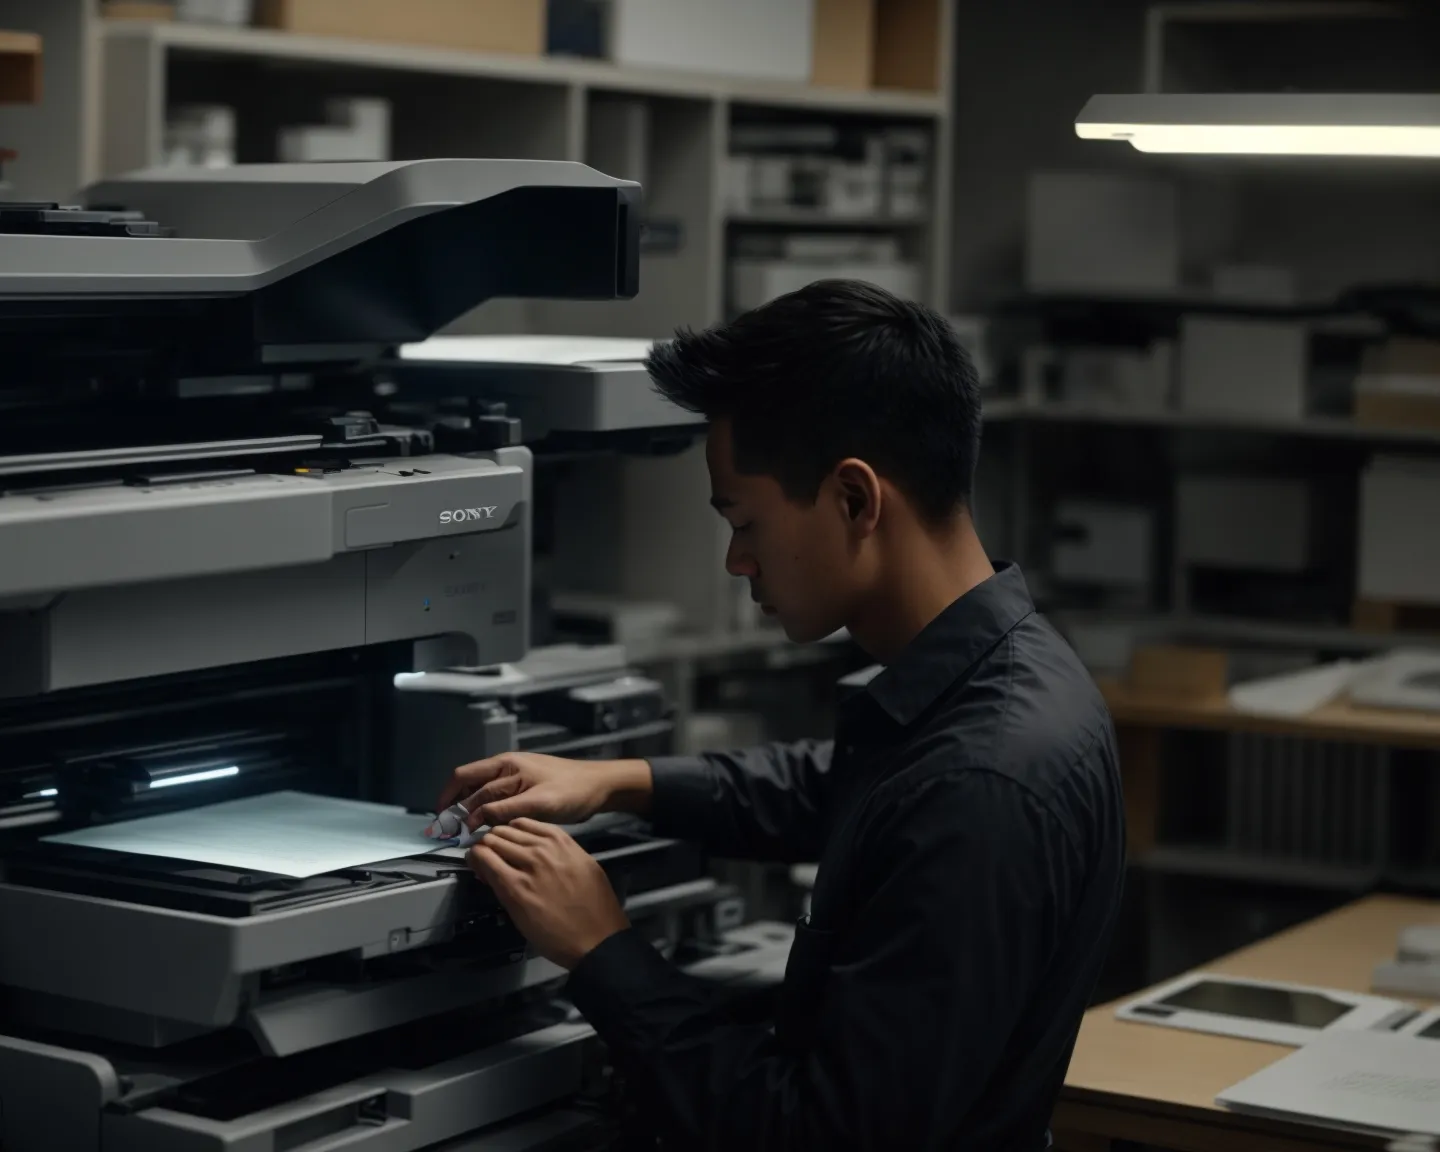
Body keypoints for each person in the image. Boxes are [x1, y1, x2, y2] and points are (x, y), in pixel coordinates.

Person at [438, 280, 1124, 1151]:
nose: (735, 560)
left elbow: (818, 1137)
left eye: (746, 520)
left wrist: (603, 949)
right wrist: (620, 780)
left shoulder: (981, 785)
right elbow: (839, 789)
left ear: (854, 499)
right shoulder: (1005, 677)